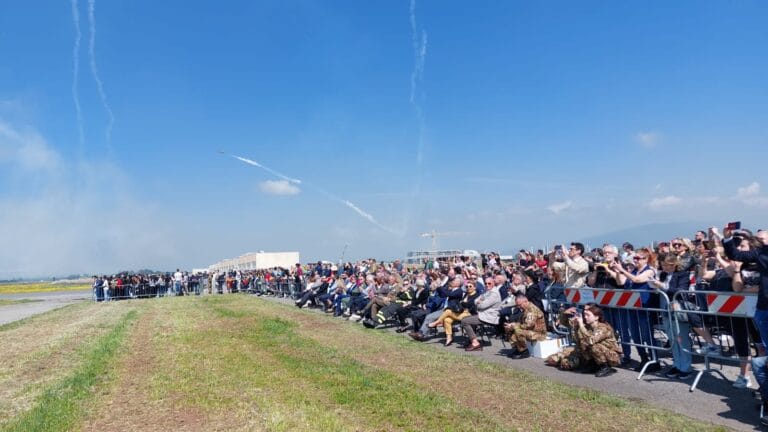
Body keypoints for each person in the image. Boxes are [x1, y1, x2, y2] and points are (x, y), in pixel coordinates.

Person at [462, 278, 502, 351]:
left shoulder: (494, 294)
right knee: (467, 318)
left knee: (464, 321)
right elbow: (475, 300)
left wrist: (479, 302)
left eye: (489, 283)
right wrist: (479, 302)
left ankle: (475, 343)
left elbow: (482, 305)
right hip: (482, 313)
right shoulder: (487, 292)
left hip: (489, 317)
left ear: (493, 283)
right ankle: (472, 340)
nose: (487, 285)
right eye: (485, 283)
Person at [504, 292, 546, 359]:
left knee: (518, 331)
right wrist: (512, 325)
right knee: (509, 328)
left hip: (538, 333)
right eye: (517, 305)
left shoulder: (532, 310)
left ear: (525, 301)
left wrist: (515, 326)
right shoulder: (525, 309)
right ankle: (517, 348)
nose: (518, 307)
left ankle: (524, 351)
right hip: (530, 331)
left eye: (519, 305)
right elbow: (522, 323)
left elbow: (528, 325)